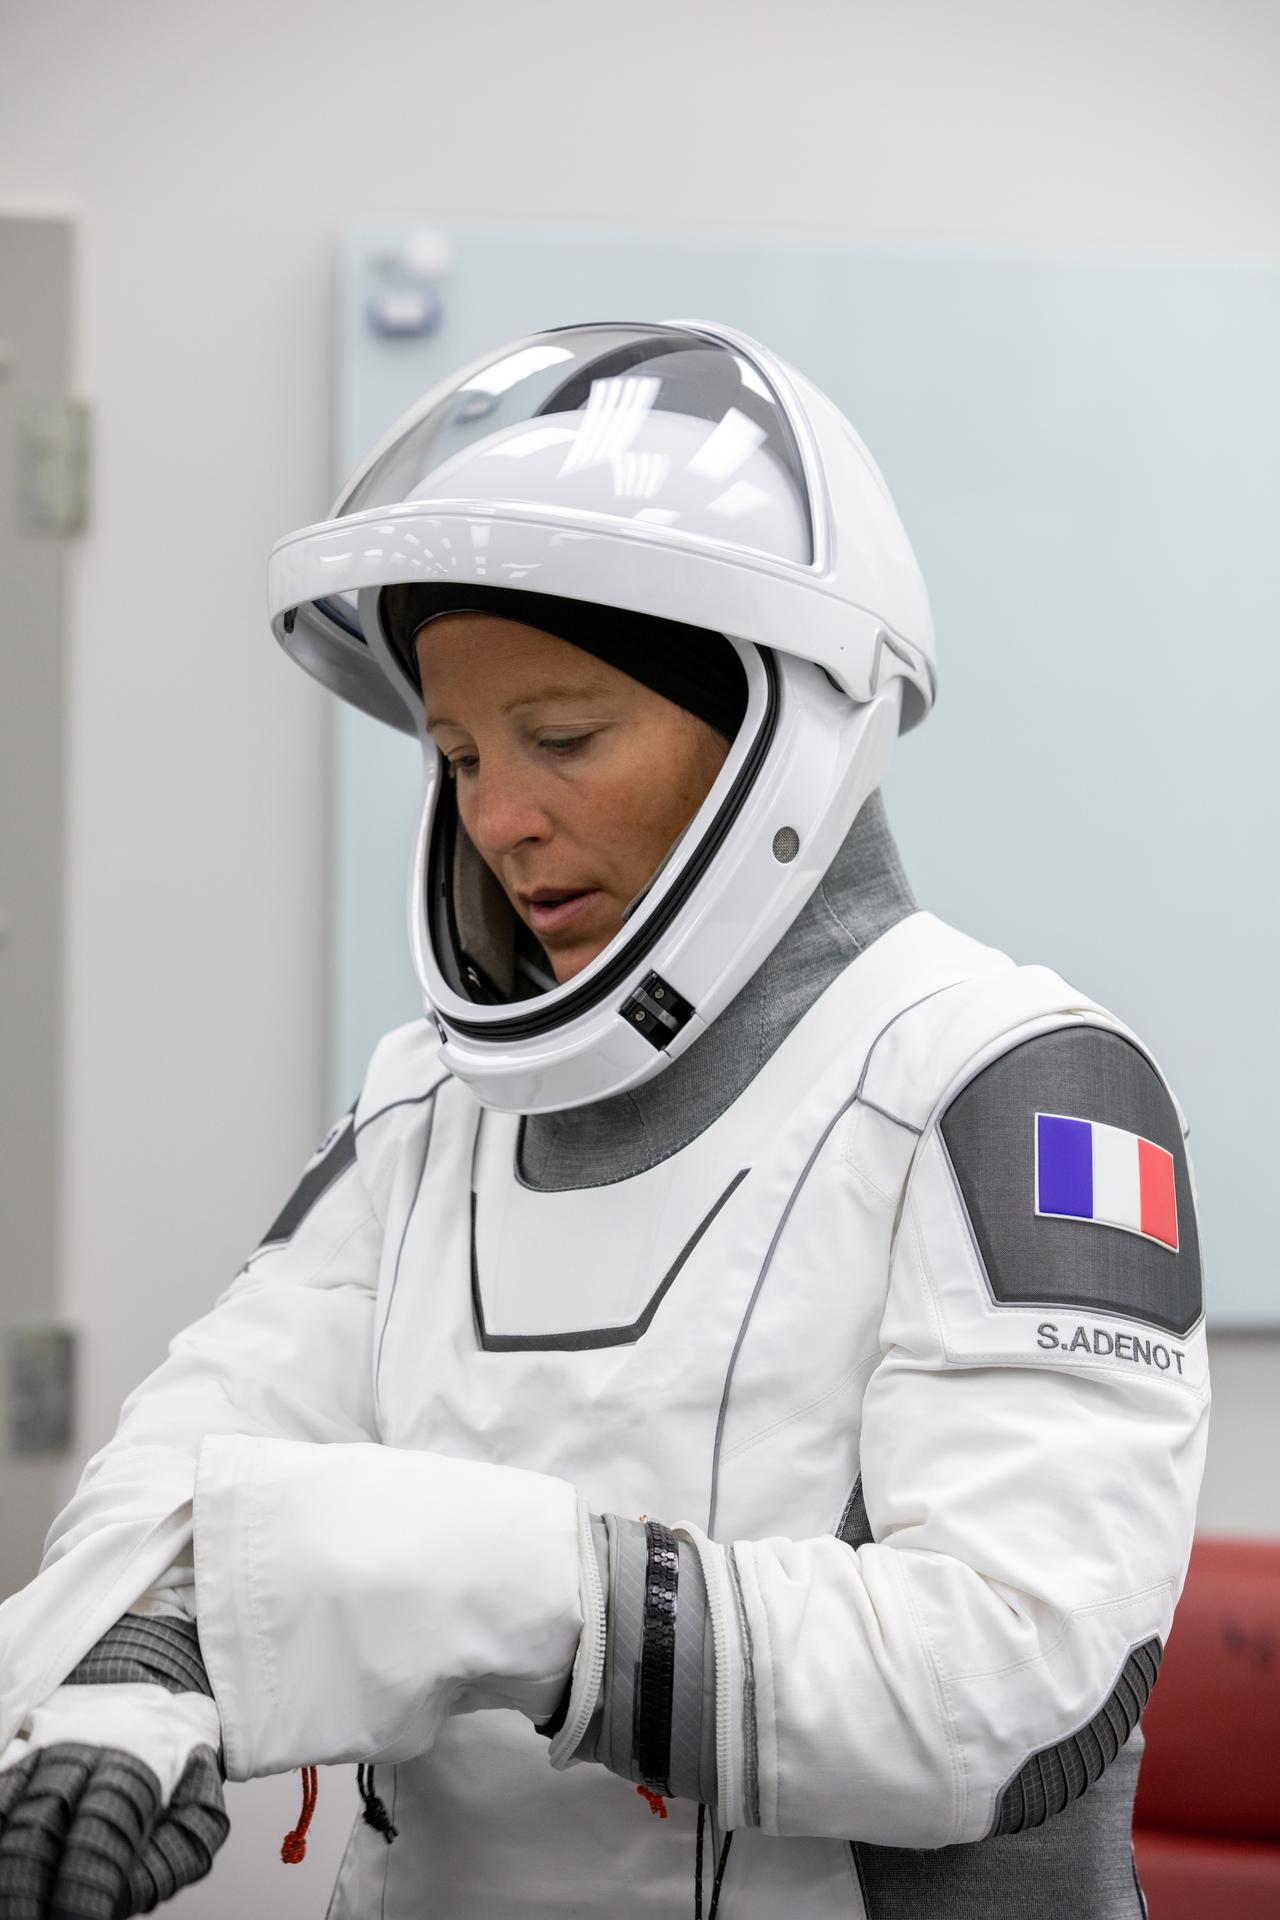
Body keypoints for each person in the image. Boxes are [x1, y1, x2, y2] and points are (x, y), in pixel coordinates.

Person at [0, 321, 1208, 1919]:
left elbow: (1008, 1680)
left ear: (780, 732)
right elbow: (207, 1441)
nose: (498, 818)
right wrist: (126, 1674)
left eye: (562, 739)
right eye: (457, 755)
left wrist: (498, 1590)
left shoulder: (1016, 1080)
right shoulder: (427, 1104)